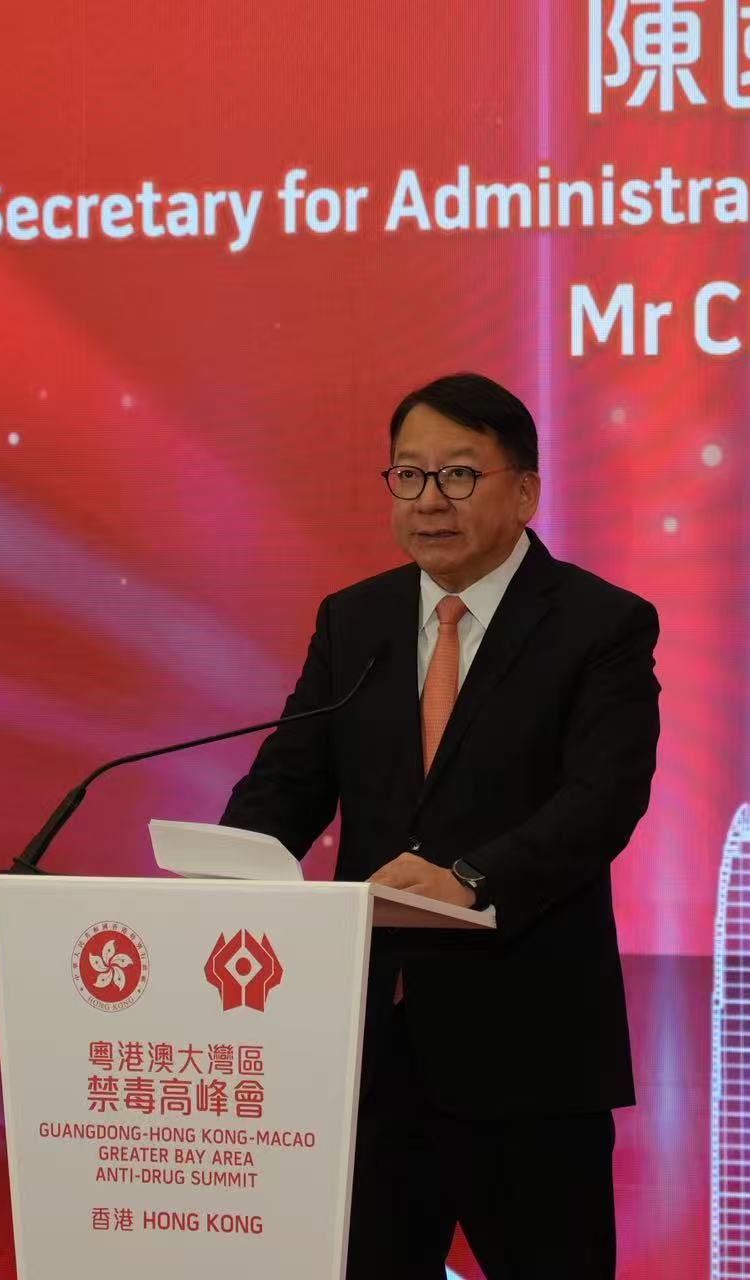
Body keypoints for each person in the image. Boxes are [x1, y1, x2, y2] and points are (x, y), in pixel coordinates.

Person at [219, 371, 660, 1279]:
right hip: (364, 1048)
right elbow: (290, 781)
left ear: (525, 491)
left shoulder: (599, 625)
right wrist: (228, 871)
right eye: (409, 474)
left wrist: (469, 878)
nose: (429, 500)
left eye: (459, 475)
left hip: (528, 1049)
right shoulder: (357, 620)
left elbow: (602, 801)